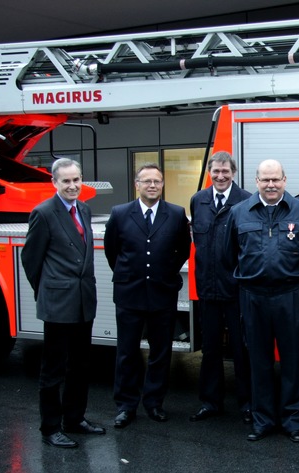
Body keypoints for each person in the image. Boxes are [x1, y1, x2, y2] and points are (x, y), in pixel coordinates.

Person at [225, 159, 299, 443]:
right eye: (265, 180)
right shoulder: (239, 213)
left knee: (294, 361)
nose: (271, 185)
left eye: (276, 179)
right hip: (254, 296)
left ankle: (294, 421)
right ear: (256, 181)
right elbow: (228, 255)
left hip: (292, 295)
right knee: (258, 361)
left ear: (285, 180)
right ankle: (262, 420)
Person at [22, 158, 105, 449]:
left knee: (80, 365)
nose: (72, 186)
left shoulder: (83, 208)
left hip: (83, 300)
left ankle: (75, 419)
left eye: (76, 180)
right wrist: (48, 290)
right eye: (66, 181)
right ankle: (50, 428)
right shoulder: (43, 213)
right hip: (58, 303)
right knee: (54, 369)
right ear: (55, 182)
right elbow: (30, 260)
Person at [104, 163, 191, 428]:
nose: (152, 185)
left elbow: (182, 251)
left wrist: (164, 274)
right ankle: (126, 405)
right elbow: (112, 251)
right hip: (129, 294)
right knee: (127, 353)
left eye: (157, 181)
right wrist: (131, 274)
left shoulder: (176, 214)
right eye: (147, 181)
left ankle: (154, 403)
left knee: (161, 353)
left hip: (162, 295)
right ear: (137, 184)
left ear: (162, 185)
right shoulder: (120, 214)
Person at [189, 151, 252, 424]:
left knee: (242, 350)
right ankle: (210, 402)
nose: (221, 176)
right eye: (216, 171)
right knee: (210, 350)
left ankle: (248, 403)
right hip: (208, 288)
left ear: (233, 173)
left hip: (237, 290)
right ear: (210, 173)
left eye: (226, 171)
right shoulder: (198, 200)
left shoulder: (247, 200)